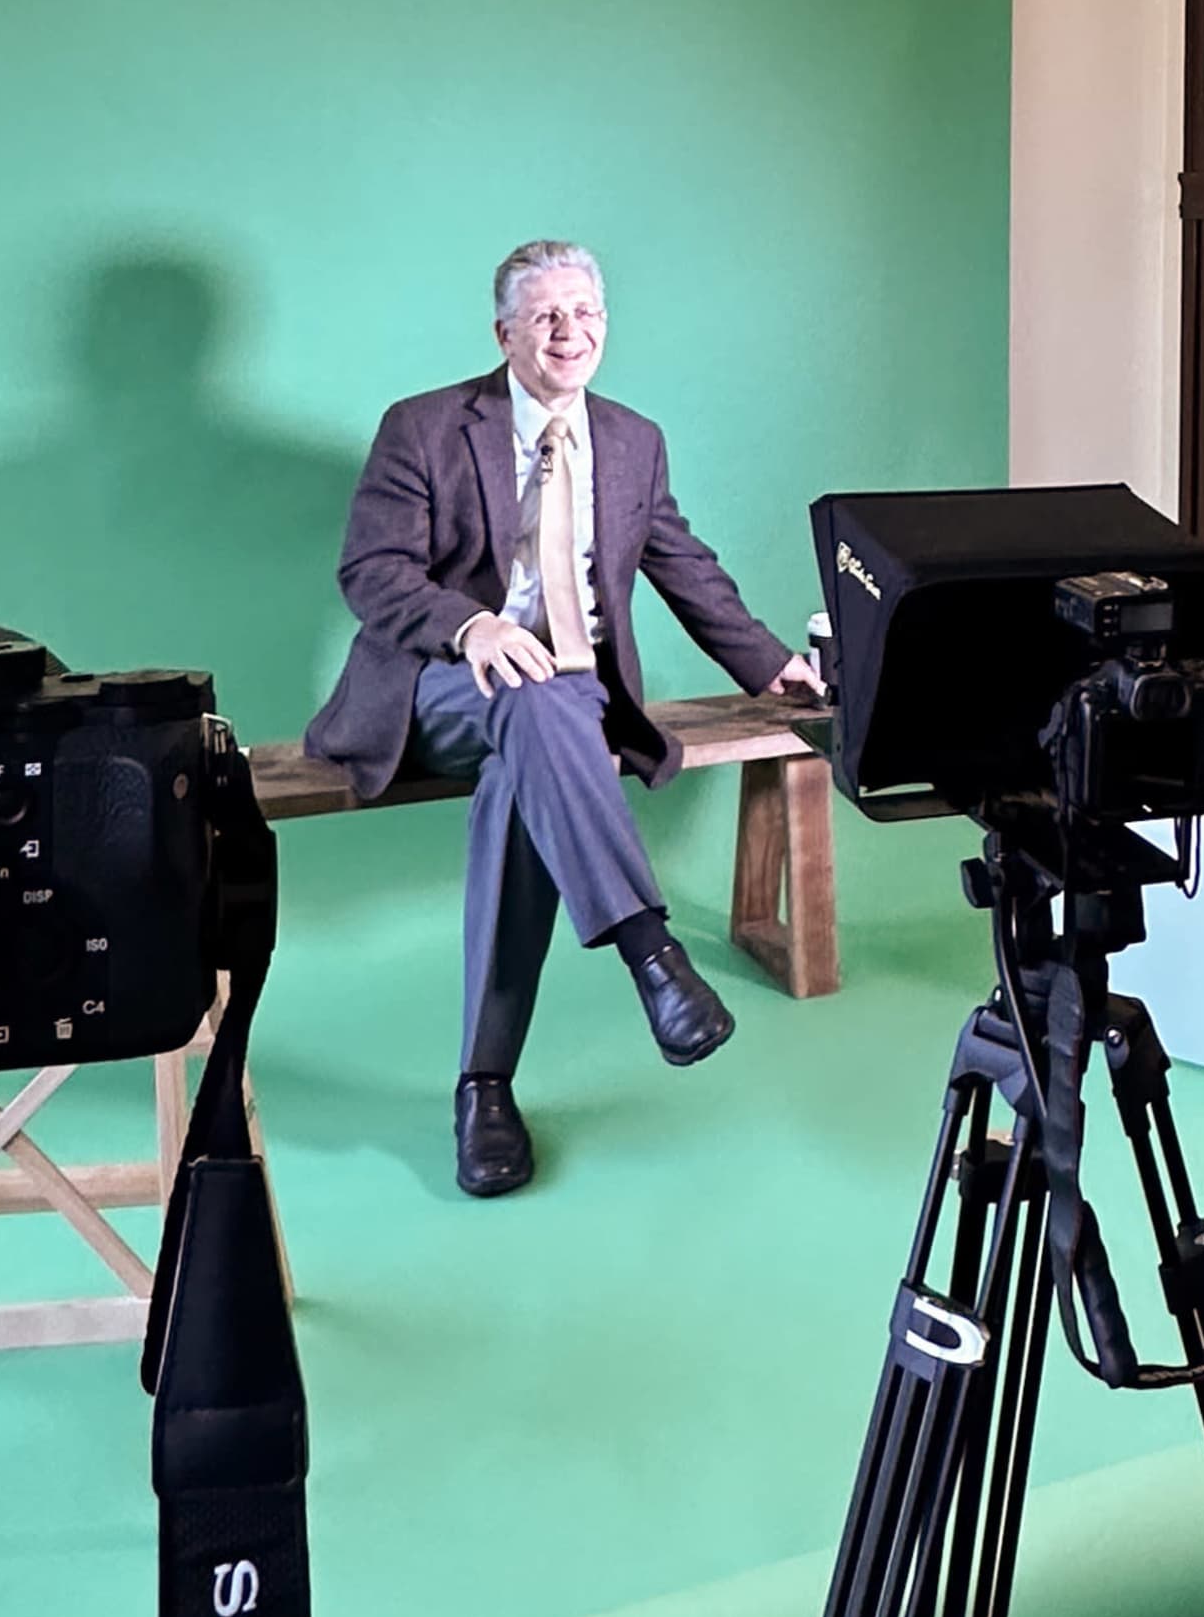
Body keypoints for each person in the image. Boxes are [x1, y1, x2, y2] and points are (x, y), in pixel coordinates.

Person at [303, 240, 820, 1200]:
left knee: (529, 754)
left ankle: (483, 1088)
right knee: (528, 702)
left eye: (584, 312)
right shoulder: (423, 427)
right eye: (545, 315)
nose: (568, 332)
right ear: (504, 333)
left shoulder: (632, 441)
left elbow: (684, 564)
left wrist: (769, 661)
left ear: (605, 325)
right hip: (439, 688)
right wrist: (474, 626)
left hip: (569, 700)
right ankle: (651, 954)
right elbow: (371, 573)